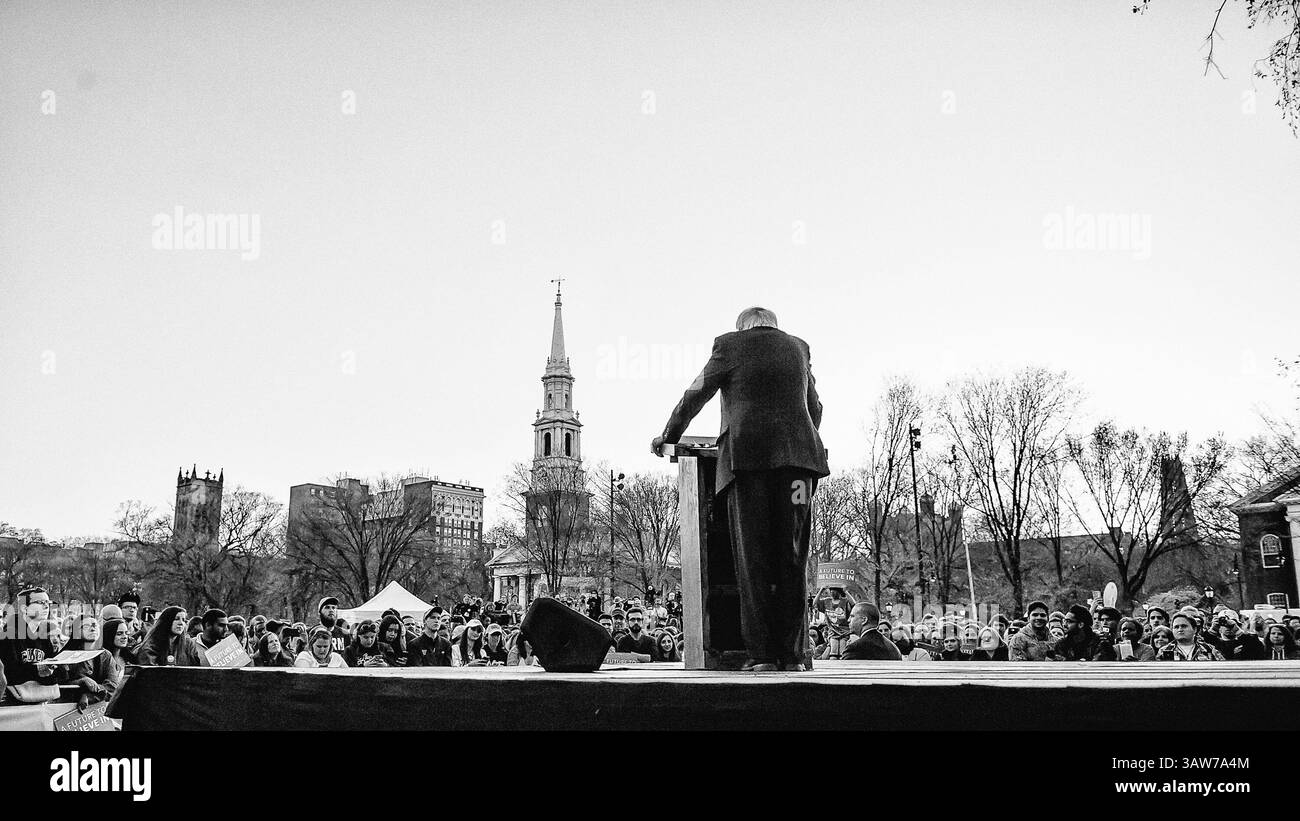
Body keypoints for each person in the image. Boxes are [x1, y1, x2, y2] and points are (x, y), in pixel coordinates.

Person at [652, 306, 829, 673]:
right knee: (793, 555)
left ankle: (763, 655)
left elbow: (695, 393)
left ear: (742, 326)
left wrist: (668, 437)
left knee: (754, 557)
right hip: (798, 473)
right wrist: (797, 437)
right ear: (774, 326)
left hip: (749, 467)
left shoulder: (730, 346)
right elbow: (814, 407)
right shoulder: (799, 348)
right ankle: (793, 656)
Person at [0, 587, 60, 700]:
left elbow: (58, 674)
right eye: (40, 602)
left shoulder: (44, 637)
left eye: (48, 602)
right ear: (24, 608)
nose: (46, 606)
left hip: (40, 698)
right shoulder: (9, 634)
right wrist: (37, 671)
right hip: (12, 703)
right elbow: (8, 673)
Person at [136, 606, 210, 667]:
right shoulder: (150, 646)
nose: (181, 623)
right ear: (166, 621)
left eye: (184, 620)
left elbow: (196, 670)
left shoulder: (189, 645)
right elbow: (149, 674)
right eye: (176, 619)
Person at [1156, 612, 1225, 661]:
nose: (1180, 630)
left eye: (1184, 626)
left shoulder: (1209, 649)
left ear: (1194, 629)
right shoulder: (1164, 651)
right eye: (1176, 627)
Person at [816, 588, 854, 660]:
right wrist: (821, 590)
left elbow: (854, 604)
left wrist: (846, 591)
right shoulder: (826, 601)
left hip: (844, 631)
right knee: (833, 653)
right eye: (831, 590)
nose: (832, 592)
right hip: (833, 632)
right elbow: (815, 603)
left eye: (834, 590)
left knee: (842, 653)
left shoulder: (845, 601)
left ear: (839, 592)